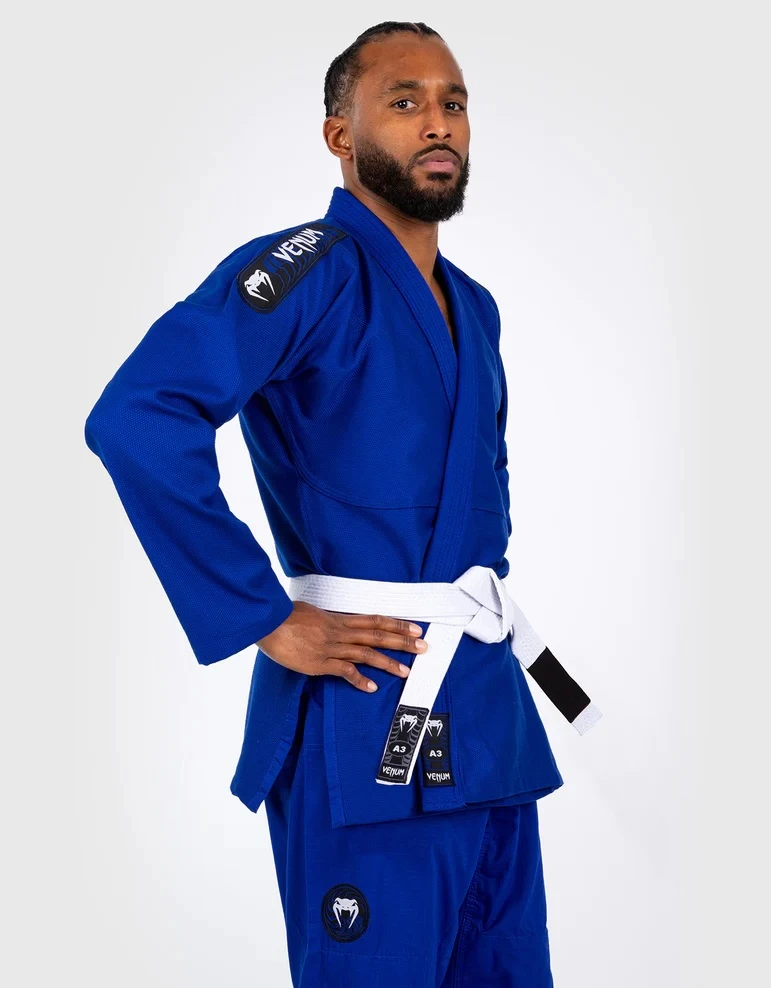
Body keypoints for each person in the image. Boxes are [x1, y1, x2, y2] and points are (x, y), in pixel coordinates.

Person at [84, 19, 601, 987]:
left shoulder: (475, 305)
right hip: (364, 716)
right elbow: (137, 417)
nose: (437, 123)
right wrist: (262, 615)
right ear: (339, 135)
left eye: (452, 103)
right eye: (403, 102)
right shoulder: (309, 271)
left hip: (486, 719)